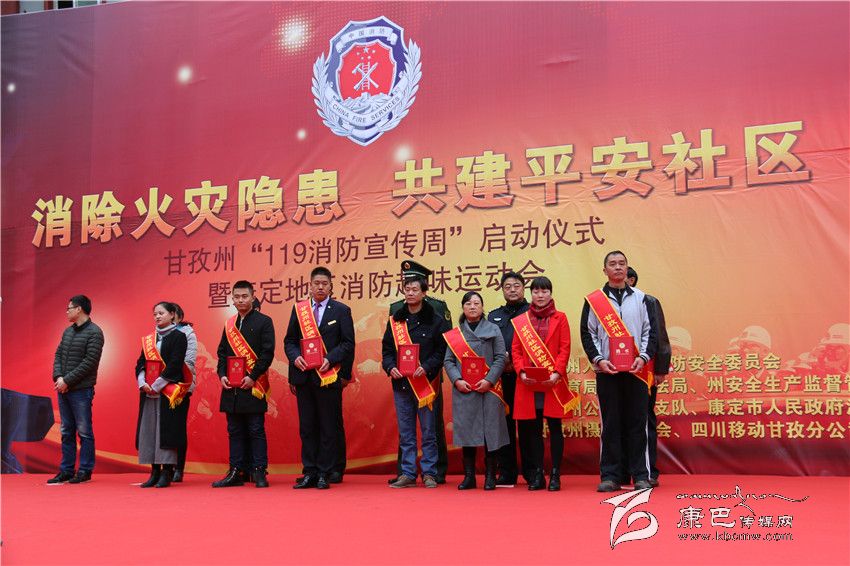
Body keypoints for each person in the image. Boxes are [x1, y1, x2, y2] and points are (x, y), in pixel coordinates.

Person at [580, 251, 656, 492]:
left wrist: (643, 358)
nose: (618, 267)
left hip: (636, 372)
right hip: (607, 372)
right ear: (605, 270)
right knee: (610, 425)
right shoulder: (594, 301)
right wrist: (599, 360)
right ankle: (610, 475)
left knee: (638, 424)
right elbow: (588, 333)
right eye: (612, 264)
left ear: (627, 268)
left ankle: (641, 475)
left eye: (622, 263)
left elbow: (650, 332)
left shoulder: (642, 298)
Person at [284, 266, 355, 490]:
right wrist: (295, 358)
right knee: (307, 427)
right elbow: (289, 341)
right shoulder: (299, 310)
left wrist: (330, 358)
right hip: (304, 377)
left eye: (325, 284)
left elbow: (348, 343)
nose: (321, 287)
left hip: (328, 376)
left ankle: (325, 471)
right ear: (310, 286)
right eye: (317, 283)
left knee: (328, 426)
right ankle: (310, 471)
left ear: (331, 287)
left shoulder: (341, 310)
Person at [381, 265, 450, 488]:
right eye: (407, 289)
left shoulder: (435, 319)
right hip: (401, 383)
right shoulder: (396, 320)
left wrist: (427, 367)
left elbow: (442, 350)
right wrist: (390, 367)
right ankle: (408, 473)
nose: (410, 293)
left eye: (415, 289)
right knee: (406, 432)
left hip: (425, 384)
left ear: (424, 292)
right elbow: (387, 350)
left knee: (429, 432)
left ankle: (429, 473)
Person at [511, 276, 574, 491]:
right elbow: (516, 350)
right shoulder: (522, 321)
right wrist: (521, 372)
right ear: (531, 294)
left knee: (555, 428)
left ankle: (555, 473)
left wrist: (557, 373)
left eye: (544, 291)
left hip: (552, 382)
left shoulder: (560, 318)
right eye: (536, 291)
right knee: (533, 430)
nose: (540, 295)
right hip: (529, 383)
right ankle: (538, 473)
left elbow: (564, 348)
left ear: (550, 293)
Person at [212, 281, 275, 488]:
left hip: (253, 385)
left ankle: (259, 471)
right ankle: (236, 471)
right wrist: (222, 374)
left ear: (253, 297)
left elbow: (267, 354)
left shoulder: (264, 322)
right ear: (232, 299)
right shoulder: (229, 324)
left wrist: (253, 376)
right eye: (237, 297)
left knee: (256, 429)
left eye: (244, 296)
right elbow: (222, 353)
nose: (240, 300)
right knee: (234, 430)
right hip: (232, 387)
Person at [443, 291, 508, 490]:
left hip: (489, 389)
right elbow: (448, 361)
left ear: (482, 307)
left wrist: (489, 380)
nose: (472, 307)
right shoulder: (456, 334)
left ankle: (490, 476)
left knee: (491, 432)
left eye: (476, 303)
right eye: (468, 303)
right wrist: (457, 380)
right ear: (463, 307)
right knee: (467, 432)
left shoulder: (493, 329)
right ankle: (469, 477)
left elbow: (500, 357)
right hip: (465, 389)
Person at [620, 267, 670, 488]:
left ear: (631, 280)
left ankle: (648, 471)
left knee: (643, 420)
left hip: (645, 371)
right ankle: (623, 471)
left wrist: (660, 368)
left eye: (626, 276)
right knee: (619, 420)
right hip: (617, 371)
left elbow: (659, 336)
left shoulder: (647, 301)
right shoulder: (607, 305)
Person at [48, 295, 104, 484]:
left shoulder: (95, 332)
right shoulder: (68, 332)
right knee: (66, 431)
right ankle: (66, 470)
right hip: (63, 388)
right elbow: (58, 354)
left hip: (81, 390)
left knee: (84, 431)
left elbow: (90, 362)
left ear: (79, 309)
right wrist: (58, 377)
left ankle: (85, 470)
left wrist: (67, 380)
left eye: (69, 308)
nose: (67, 312)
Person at [134, 302, 189, 488]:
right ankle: (154, 471)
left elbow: (175, 364)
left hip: (168, 391)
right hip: (149, 392)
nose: (157, 316)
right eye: (155, 314)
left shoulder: (179, 337)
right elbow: (141, 362)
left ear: (172, 314)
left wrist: (157, 385)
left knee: (166, 431)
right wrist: (142, 382)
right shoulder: (149, 340)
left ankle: (167, 471)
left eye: (161, 313)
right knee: (150, 430)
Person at [487, 271, 531, 486]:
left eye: (516, 286)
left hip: (525, 378)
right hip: (500, 378)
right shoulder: (494, 316)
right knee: (503, 425)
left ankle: (532, 471)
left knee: (527, 425)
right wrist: (499, 360)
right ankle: (506, 472)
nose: (512, 290)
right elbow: (486, 344)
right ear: (502, 290)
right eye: (507, 287)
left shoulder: (532, 312)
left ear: (523, 288)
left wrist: (515, 360)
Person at [171, 303, 197, 483]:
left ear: (179, 317)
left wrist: (168, 376)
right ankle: (164, 466)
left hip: (180, 385)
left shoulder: (188, 334)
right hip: (160, 387)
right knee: (163, 428)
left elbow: (189, 361)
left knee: (178, 427)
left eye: (172, 315)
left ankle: (178, 468)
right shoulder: (156, 335)